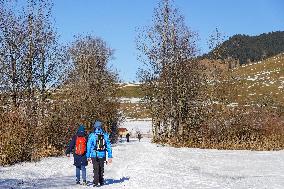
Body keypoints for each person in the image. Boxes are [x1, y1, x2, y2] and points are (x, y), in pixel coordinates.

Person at [87, 120, 113, 187]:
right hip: (102, 154)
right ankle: (101, 181)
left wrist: (88, 156)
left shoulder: (92, 135)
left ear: (95, 127)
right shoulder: (105, 135)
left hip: (94, 154)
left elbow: (89, 146)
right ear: (101, 127)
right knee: (101, 168)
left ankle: (95, 183)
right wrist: (110, 156)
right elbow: (109, 146)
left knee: (96, 169)